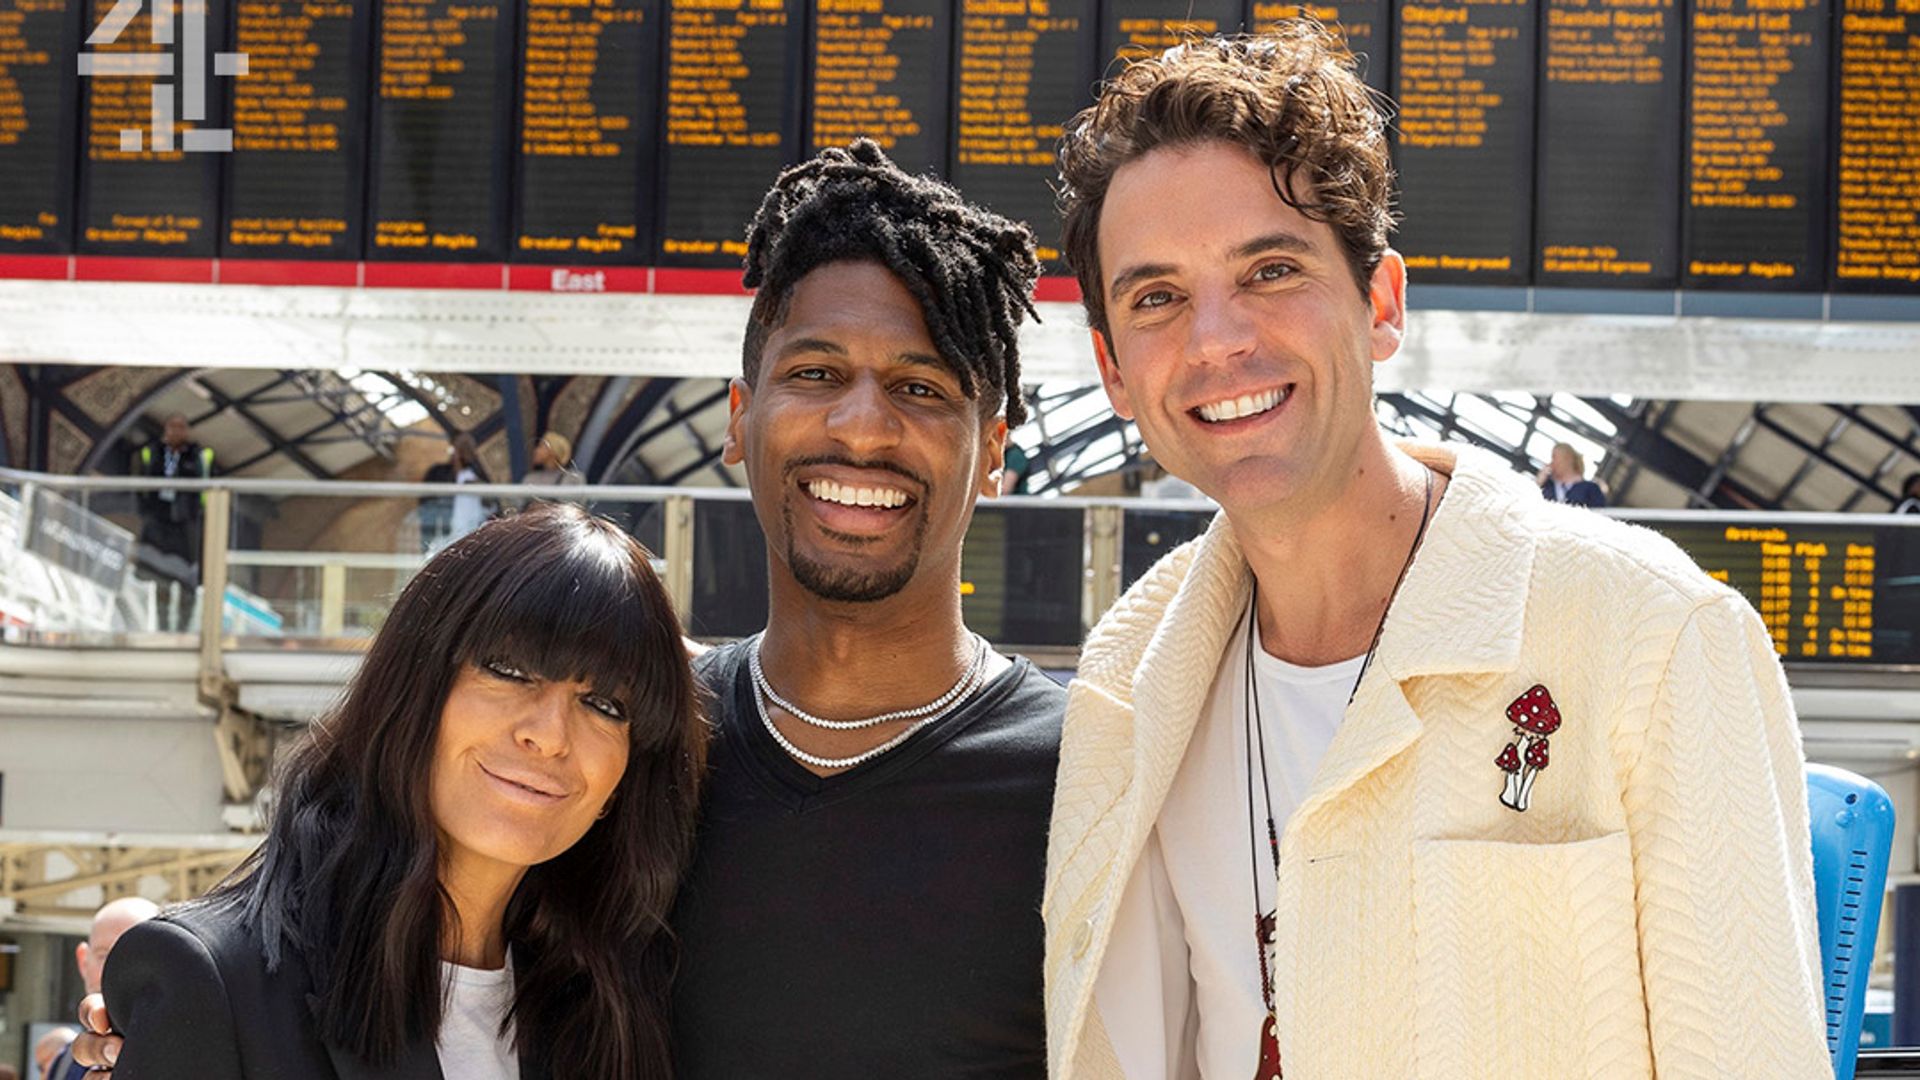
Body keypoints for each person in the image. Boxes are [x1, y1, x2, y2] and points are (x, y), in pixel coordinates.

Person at [1044, 25, 1828, 1079]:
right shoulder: (1130, 678)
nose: (1217, 339)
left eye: (1270, 270)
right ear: (1113, 371)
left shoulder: (1649, 637)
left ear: (1379, 305)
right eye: (1157, 298)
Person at [669, 139, 1064, 1077]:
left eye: (920, 388)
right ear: (740, 415)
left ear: (994, 451)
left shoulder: (1092, 776)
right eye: (814, 374)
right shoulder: (640, 740)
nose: (862, 426)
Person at [75, 503, 705, 1079]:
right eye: (509, 671)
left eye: (604, 704)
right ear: (413, 685)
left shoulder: (617, 1000)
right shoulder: (216, 983)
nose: (549, 735)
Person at [41, 898, 157, 1080]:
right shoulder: (63, 1065)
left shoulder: (192, 1057)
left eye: (136, 958)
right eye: (104, 956)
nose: (116, 971)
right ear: (83, 961)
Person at [132, 413, 213, 627]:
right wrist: (147, 510)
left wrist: (195, 512)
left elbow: (205, 486)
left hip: (185, 522)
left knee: (188, 577)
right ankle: (163, 626)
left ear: (187, 431)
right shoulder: (152, 452)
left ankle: (184, 627)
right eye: (172, 427)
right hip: (159, 519)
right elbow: (141, 483)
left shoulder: (198, 455)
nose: (177, 431)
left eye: (181, 427)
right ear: (166, 429)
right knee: (161, 576)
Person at [1538, 441, 1608, 507]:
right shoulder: (1547, 486)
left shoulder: (1591, 488)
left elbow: (1599, 513)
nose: (1551, 463)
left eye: (1554, 458)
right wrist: (1539, 483)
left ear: (1568, 460)